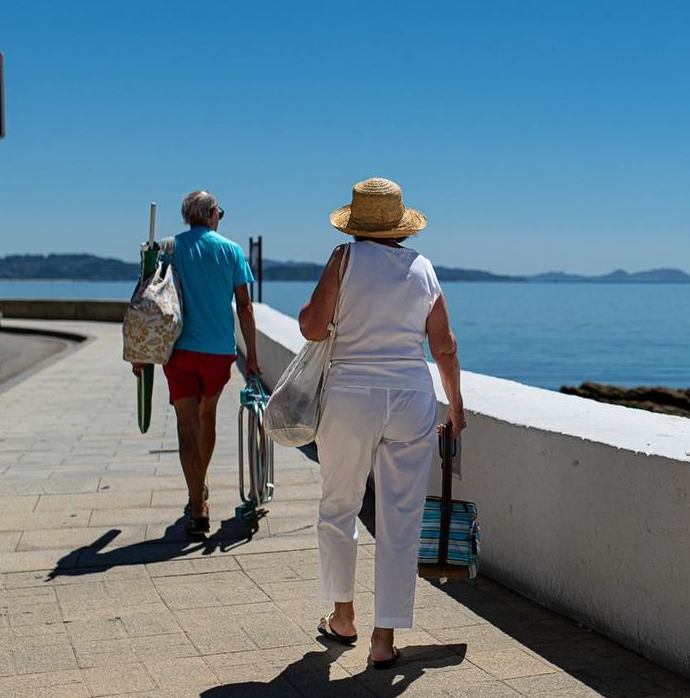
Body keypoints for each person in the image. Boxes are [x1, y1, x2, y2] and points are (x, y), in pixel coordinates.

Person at [300, 177, 465, 669]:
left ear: (356, 224)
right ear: (400, 226)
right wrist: (455, 406)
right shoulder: (424, 269)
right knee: (400, 518)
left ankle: (343, 615)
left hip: (351, 396)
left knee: (339, 505)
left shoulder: (344, 260)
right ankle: (384, 638)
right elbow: (445, 346)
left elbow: (311, 327)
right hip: (411, 398)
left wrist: (333, 269)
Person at [132, 190, 262, 537]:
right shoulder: (231, 250)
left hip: (178, 349)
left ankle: (198, 504)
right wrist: (252, 357)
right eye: (220, 211)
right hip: (219, 350)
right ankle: (199, 491)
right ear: (211, 215)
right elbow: (246, 308)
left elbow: (147, 300)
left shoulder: (167, 248)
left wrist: (141, 355)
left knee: (185, 425)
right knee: (208, 417)